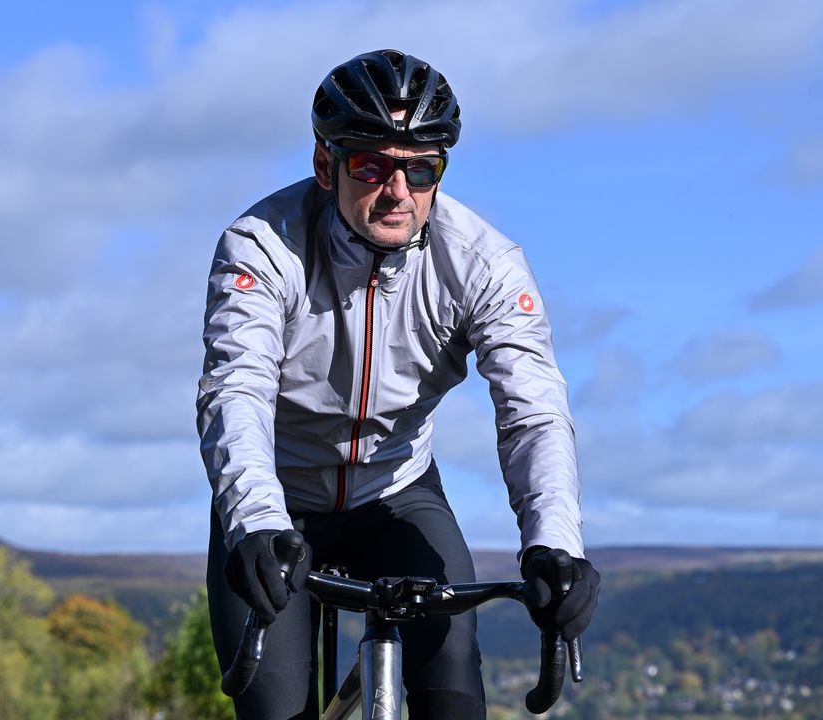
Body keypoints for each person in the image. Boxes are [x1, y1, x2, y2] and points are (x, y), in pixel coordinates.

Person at [197, 49, 599, 720]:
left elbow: (532, 413)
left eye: (422, 170)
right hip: (278, 505)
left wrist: (554, 542)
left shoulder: (484, 264)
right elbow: (234, 390)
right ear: (327, 166)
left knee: (452, 694)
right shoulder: (261, 246)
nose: (398, 192)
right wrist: (256, 521)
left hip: (397, 495)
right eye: (372, 166)